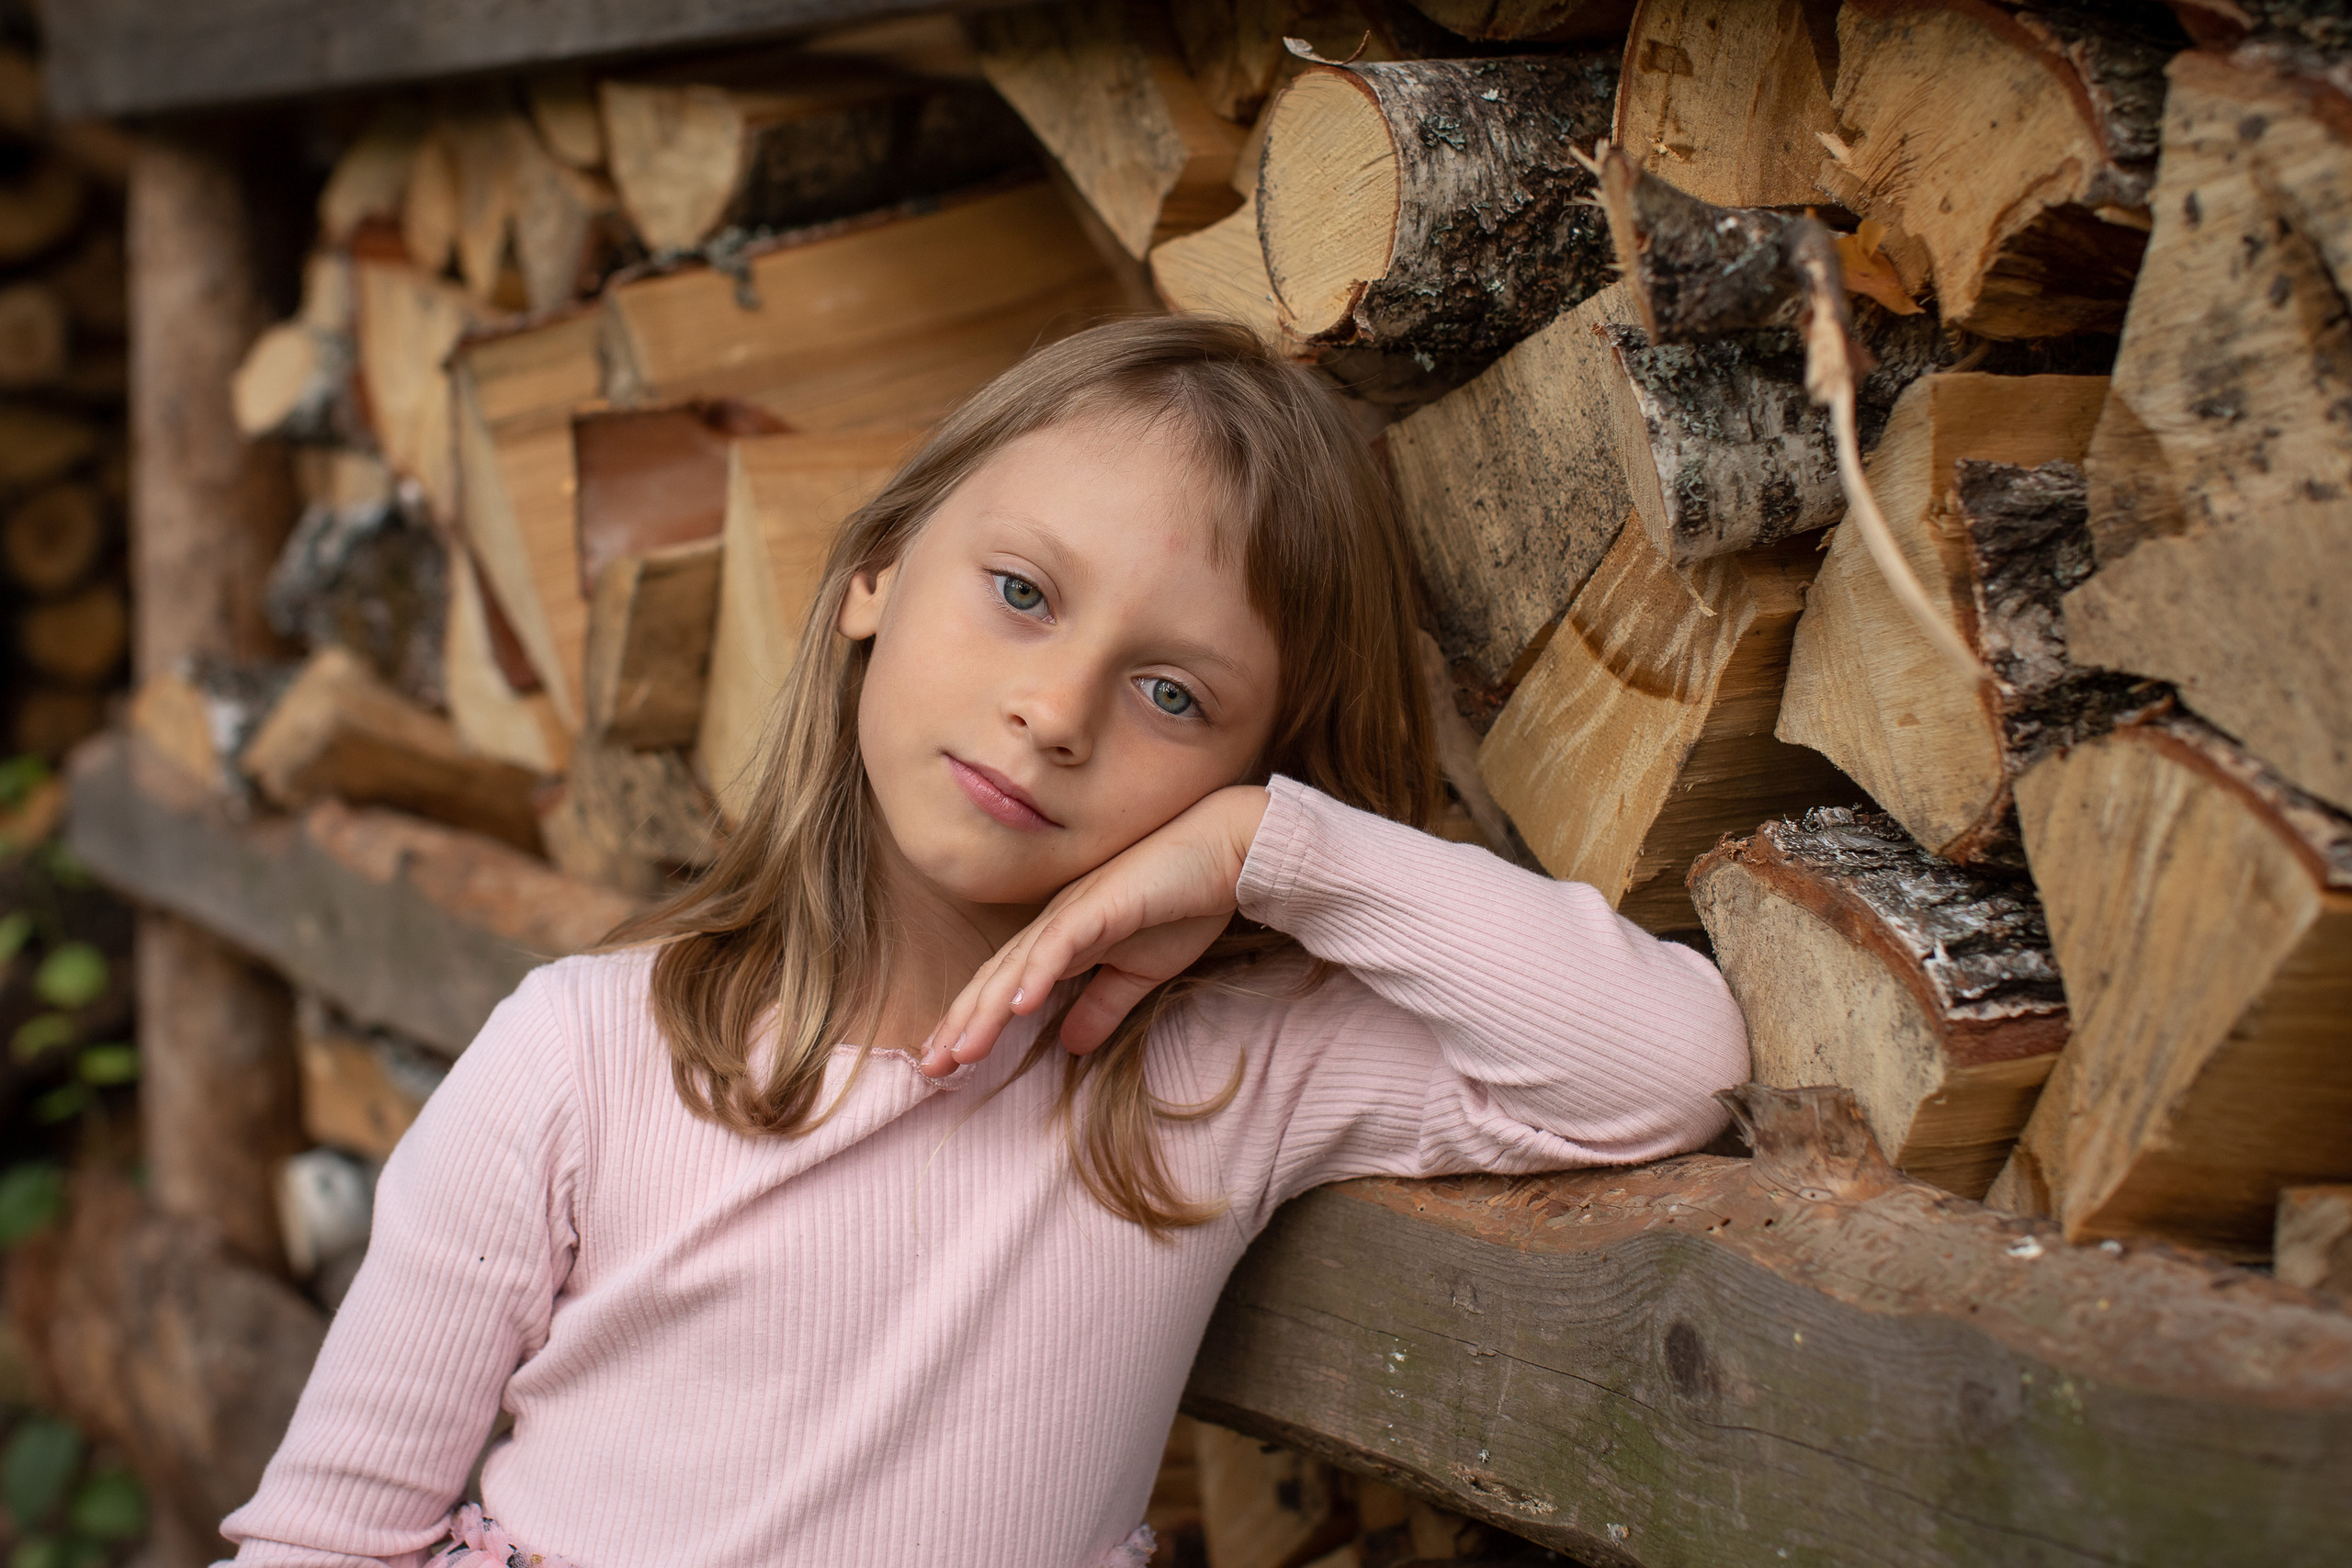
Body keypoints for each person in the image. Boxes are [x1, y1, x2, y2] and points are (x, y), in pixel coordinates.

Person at [218, 317, 1749, 1568]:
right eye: (1021, 594)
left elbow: (1663, 1065)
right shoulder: (587, 1058)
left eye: (1175, 697)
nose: (1058, 711)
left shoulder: (1210, 1077)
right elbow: (324, 1546)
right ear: (874, 571)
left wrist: (1265, 853)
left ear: (1252, 762)